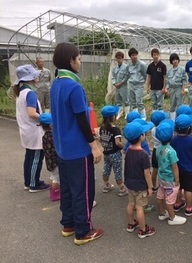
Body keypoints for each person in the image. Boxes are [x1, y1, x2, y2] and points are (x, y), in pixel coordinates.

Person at [50, 42, 103, 245]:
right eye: (79, 58)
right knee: (83, 190)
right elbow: (82, 120)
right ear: (70, 61)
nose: (80, 62)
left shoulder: (56, 83)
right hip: (77, 149)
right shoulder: (74, 86)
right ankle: (83, 230)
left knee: (68, 188)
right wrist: (94, 145)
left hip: (62, 147)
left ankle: (69, 224)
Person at [13, 64, 48, 192]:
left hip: (26, 129)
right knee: (36, 158)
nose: (37, 76)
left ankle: (28, 181)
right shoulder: (30, 93)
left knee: (29, 157)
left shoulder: (21, 92)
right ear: (30, 78)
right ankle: (34, 184)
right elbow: (32, 113)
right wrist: (45, 119)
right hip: (34, 130)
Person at [123, 121, 156, 238]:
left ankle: (131, 223)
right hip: (141, 185)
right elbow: (147, 173)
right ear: (141, 137)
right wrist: (150, 187)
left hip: (130, 183)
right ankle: (143, 230)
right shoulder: (144, 155)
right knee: (140, 207)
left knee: (131, 203)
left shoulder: (127, 151)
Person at [155, 119, 187, 225]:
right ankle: (172, 218)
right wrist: (177, 180)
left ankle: (162, 213)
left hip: (161, 178)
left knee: (160, 196)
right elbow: (175, 167)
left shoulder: (158, 149)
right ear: (171, 136)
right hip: (170, 179)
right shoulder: (172, 151)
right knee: (170, 200)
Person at [171, 114, 192, 216]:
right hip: (189, 168)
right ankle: (189, 208)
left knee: (178, 187)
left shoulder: (173, 139)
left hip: (177, 168)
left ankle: (177, 203)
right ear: (189, 129)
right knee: (188, 189)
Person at [99, 105, 127, 196]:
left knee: (106, 169)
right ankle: (122, 188)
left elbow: (100, 139)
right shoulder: (115, 129)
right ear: (113, 117)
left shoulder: (102, 128)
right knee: (117, 170)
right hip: (115, 153)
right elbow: (118, 143)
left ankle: (106, 185)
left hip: (106, 153)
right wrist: (125, 148)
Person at [39, 113, 60, 201]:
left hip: (49, 161)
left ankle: (53, 192)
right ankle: (55, 194)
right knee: (57, 178)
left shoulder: (45, 136)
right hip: (55, 161)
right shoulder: (53, 136)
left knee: (53, 176)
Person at [150, 111, 169, 192]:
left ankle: (154, 186)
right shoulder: (163, 129)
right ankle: (166, 186)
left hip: (155, 150)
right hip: (164, 150)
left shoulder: (153, 129)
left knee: (155, 169)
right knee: (165, 169)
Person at [126, 48, 148, 118]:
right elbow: (128, 74)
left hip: (139, 85)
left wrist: (142, 82)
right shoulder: (128, 65)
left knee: (139, 101)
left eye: (135, 55)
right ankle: (135, 115)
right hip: (131, 84)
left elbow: (145, 74)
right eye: (133, 55)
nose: (134, 56)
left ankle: (143, 116)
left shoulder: (142, 64)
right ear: (130, 56)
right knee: (132, 101)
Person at [167, 53, 187, 120]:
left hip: (179, 88)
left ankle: (180, 119)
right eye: (173, 60)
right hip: (172, 89)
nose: (175, 61)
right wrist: (168, 90)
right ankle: (172, 120)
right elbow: (168, 81)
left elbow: (184, 80)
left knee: (180, 105)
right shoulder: (169, 71)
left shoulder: (182, 69)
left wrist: (183, 89)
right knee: (172, 105)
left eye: (176, 59)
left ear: (178, 60)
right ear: (171, 61)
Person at [112, 51, 130, 119]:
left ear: (122, 58)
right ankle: (119, 113)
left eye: (120, 58)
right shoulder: (115, 68)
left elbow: (127, 76)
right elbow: (113, 77)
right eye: (117, 58)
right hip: (117, 87)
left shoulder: (126, 67)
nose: (118, 60)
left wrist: (121, 83)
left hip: (123, 86)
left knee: (126, 101)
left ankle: (127, 114)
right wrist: (114, 83)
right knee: (118, 101)